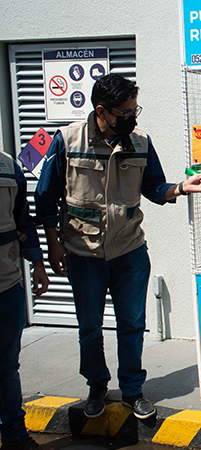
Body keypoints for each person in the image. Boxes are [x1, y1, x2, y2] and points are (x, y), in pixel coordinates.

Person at [34, 73, 201, 420]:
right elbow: (45, 199)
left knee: (132, 323)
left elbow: (154, 186)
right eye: (125, 112)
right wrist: (53, 247)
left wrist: (181, 188)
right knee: (90, 326)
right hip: (83, 254)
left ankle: (132, 390)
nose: (133, 117)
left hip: (130, 251)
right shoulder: (67, 140)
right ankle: (97, 386)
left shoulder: (141, 142)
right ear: (102, 110)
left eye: (135, 109)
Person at [1, 151, 50, 450]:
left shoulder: (8, 164)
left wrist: (37, 262)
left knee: (6, 365)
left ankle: (15, 435)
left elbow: (22, 219)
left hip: (7, 283)